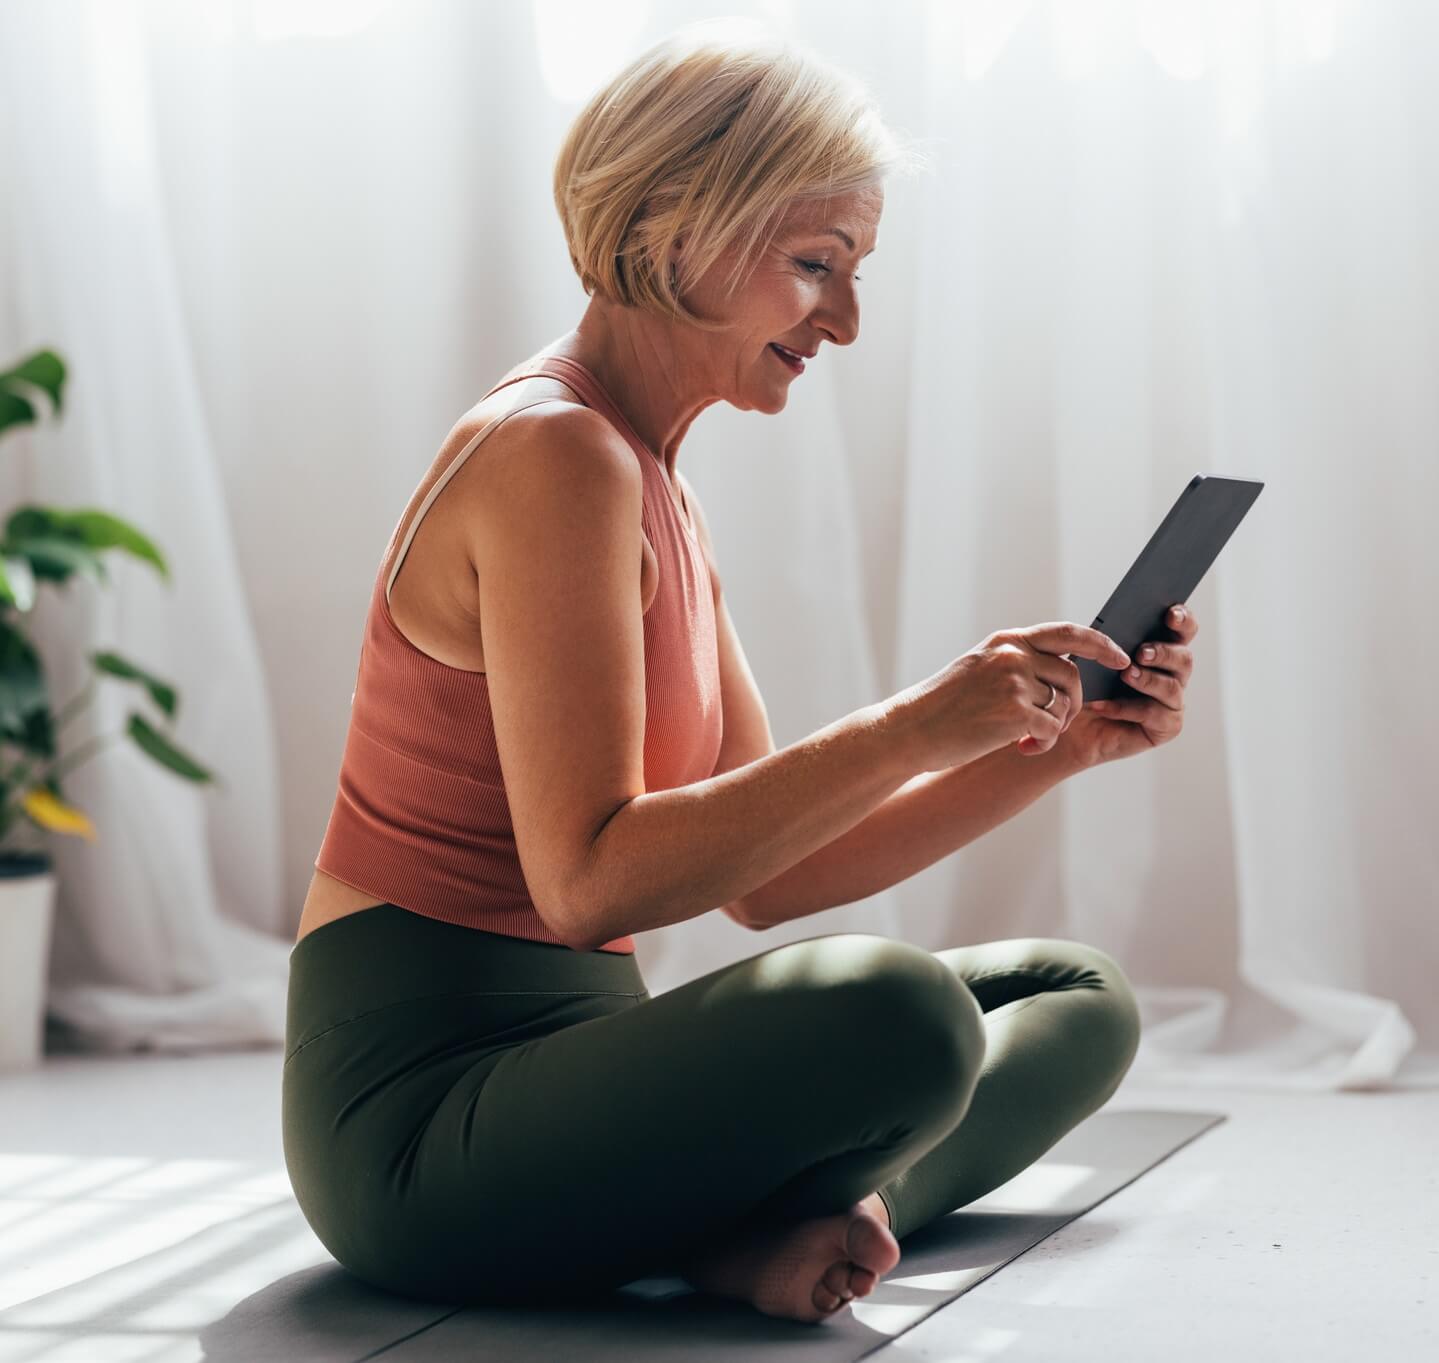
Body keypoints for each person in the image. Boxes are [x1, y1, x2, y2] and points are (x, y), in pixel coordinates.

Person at [283, 19, 1199, 1325]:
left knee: (1075, 997)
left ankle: (781, 1229)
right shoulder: (554, 457)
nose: (847, 318)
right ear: (670, 229)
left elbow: (772, 881)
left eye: (856, 268)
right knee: (902, 1012)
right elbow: (590, 876)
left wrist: (1039, 746)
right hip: (422, 1124)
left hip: (580, 1076)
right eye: (814, 264)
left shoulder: (654, 483)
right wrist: (925, 718)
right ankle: (762, 1221)